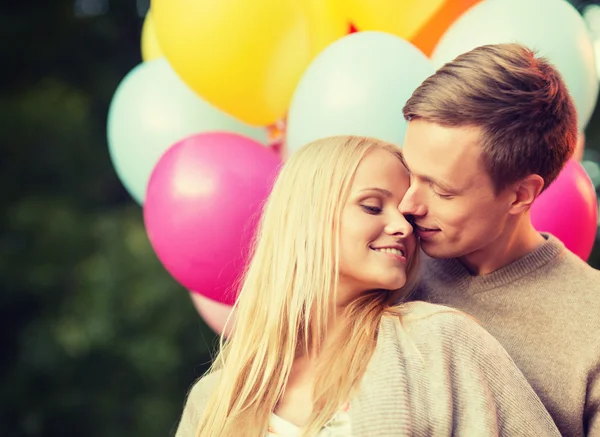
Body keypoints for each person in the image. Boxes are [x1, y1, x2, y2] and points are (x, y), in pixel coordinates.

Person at [175, 135, 560, 437]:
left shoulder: (437, 343)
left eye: (406, 214)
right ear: (309, 219)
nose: (403, 227)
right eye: (373, 206)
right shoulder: (213, 400)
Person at [400, 43, 600, 437]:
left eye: (441, 189)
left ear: (520, 194)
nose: (409, 204)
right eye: (409, 173)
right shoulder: (385, 260)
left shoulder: (593, 323)